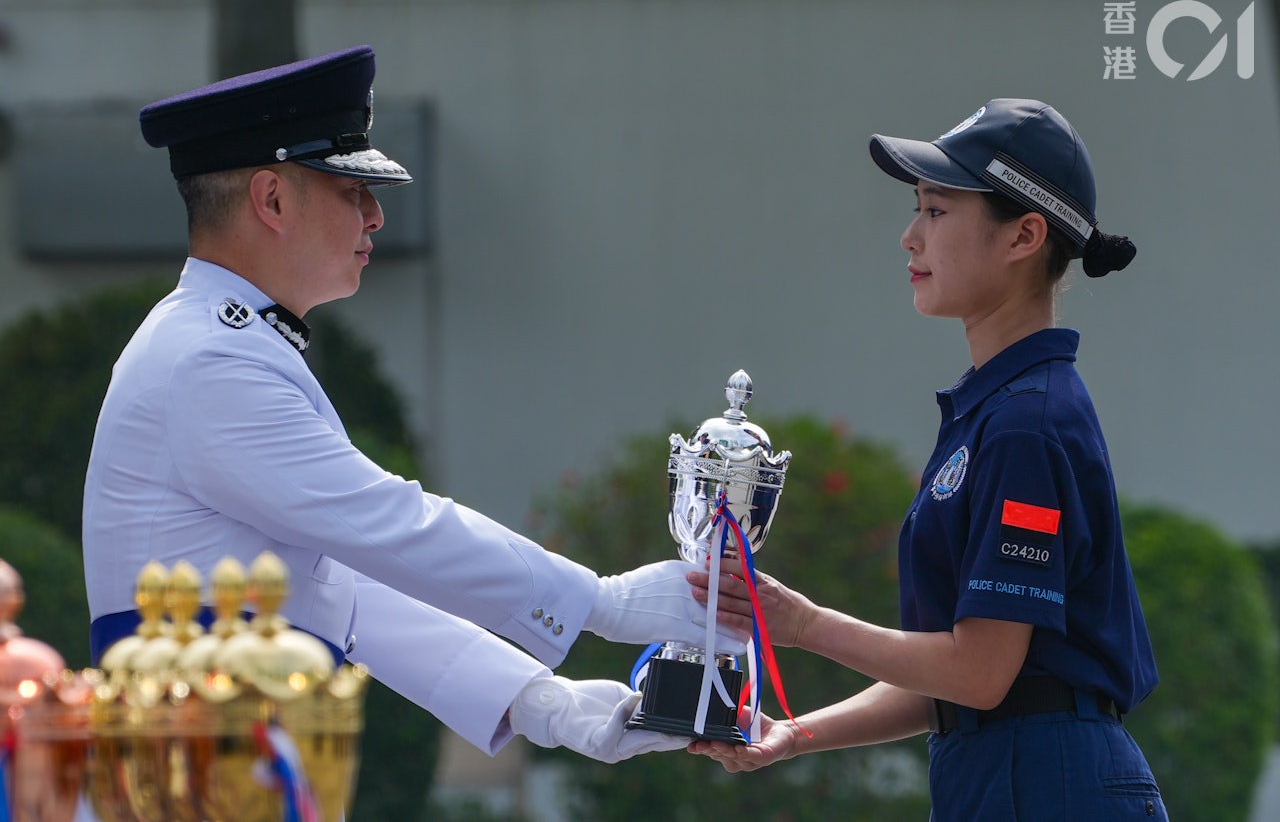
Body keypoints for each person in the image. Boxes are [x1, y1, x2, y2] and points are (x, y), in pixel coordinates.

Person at [81, 45, 743, 764]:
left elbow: (341, 589)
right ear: (270, 199)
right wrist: (602, 602)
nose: (375, 216)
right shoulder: (211, 358)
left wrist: (541, 702)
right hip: (194, 774)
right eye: (349, 190)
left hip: (231, 759)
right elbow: (389, 523)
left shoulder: (224, 343)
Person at [688, 99, 1168, 819]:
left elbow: (980, 673)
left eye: (938, 211)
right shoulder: (997, 410)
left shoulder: (1025, 422)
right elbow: (955, 678)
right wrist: (793, 733)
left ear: (1025, 234)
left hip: (1049, 782)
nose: (910, 237)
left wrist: (803, 623)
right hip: (1007, 772)